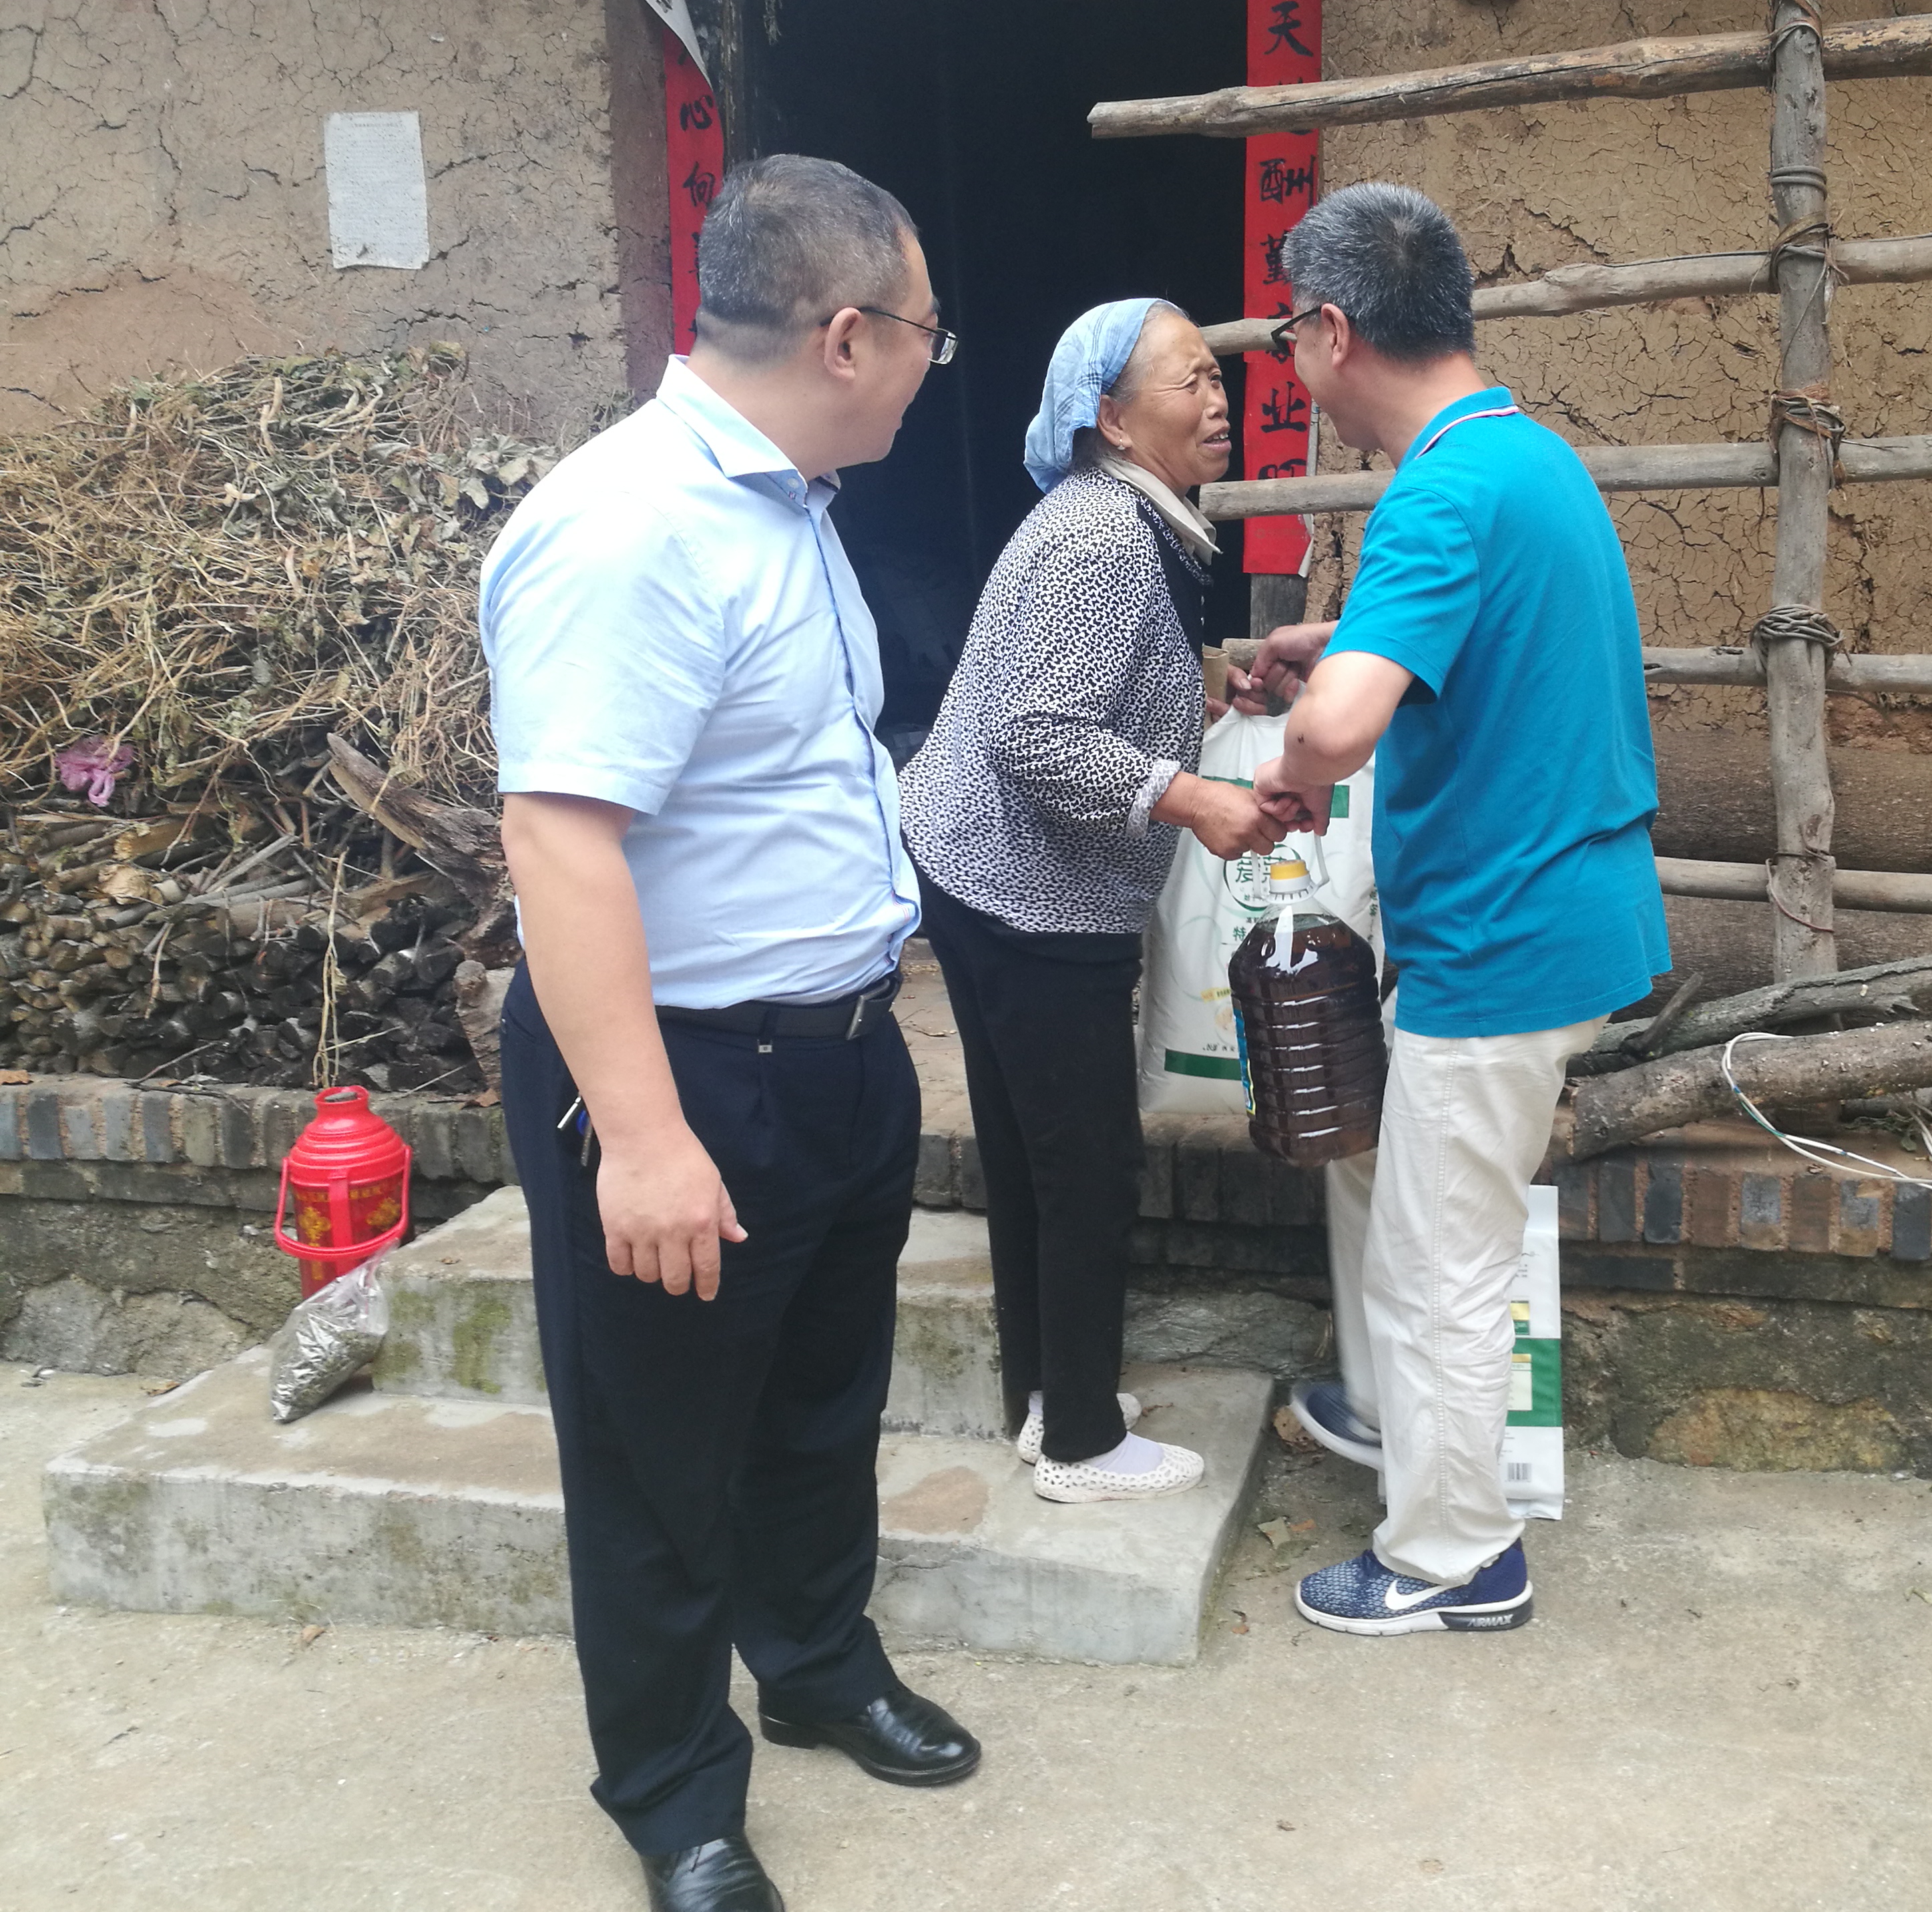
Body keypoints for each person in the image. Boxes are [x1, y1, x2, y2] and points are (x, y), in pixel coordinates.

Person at [481, 155, 981, 1912]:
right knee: (658, 1453)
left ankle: (820, 1666)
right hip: (684, 1074)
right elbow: (560, 839)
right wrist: (640, 1136)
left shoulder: (786, 512)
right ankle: (676, 1791)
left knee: (818, 1407)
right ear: (847, 337)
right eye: (926, 333)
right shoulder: (632, 527)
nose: (933, 364)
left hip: (834, 1053)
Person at [1240, 182, 1670, 1636]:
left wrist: (1293, 775)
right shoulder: (1523, 457)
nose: (1291, 365)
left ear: (1333, 330)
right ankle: (1400, 1422)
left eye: (1287, 338)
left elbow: (1338, 727)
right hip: (1563, 911)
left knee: (1443, 1261)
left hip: (1501, 939)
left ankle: (1454, 1559)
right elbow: (1465, 645)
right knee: (1404, 1198)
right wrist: (1344, 635)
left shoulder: (1433, 491)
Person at [899, 299, 1286, 1502]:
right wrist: (1190, 796)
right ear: (1111, 419)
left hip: (983, 874)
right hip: (1030, 896)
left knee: (1031, 1156)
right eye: (1190, 381)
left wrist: (1192, 698)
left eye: (1216, 377)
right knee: (1089, 1167)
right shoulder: (1102, 539)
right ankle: (1079, 1444)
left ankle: (1047, 1395)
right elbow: (1035, 732)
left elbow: (1083, 688)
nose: (1218, 400)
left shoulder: (1118, 517)